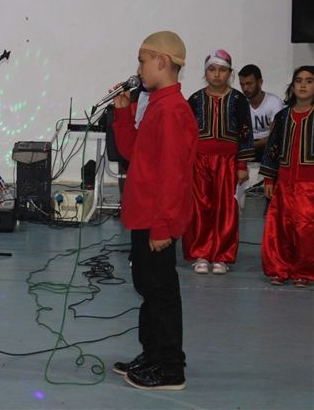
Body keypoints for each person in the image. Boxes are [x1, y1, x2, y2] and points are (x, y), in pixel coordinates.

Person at [111, 30, 198, 390]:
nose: (139, 68)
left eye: (142, 60)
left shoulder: (173, 110)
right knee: (147, 286)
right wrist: (123, 114)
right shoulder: (157, 105)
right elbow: (134, 153)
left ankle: (170, 367)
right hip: (144, 214)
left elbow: (173, 176)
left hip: (156, 218)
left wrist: (163, 226)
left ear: (162, 62)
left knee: (161, 291)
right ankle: (152, 354)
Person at [182, 50, 254, 275]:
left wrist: (242, 165)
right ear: (205, 73)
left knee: (226, 209)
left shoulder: (238, 100)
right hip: (199, 161)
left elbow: (245, 132)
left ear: (230, 73)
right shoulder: (195, 100)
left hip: (227, 162)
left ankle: (222, 256)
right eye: (212, 69)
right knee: (199, 207)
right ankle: (201, 254)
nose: (216, 74)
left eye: (222, 70)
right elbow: (185, 133)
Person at [259, 65, 314, 287]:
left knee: (306, 229)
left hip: (310, 186)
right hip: (283, 182)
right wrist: (269, 178)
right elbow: (272, 148)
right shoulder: (282, 116)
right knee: (280, 227)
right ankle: (279, 268)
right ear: (292, 86)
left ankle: (304, 270)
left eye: (309, 81)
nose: (303, 85)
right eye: (298, 81)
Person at [238, 64, 286, 162]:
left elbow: (275, 136)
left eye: (249, 83)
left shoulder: (274, 102)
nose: (245, 88)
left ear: (260, 83)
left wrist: (251, 146)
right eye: (242, 84)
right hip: (248, 148)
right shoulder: (240, 104)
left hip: (268, 147)